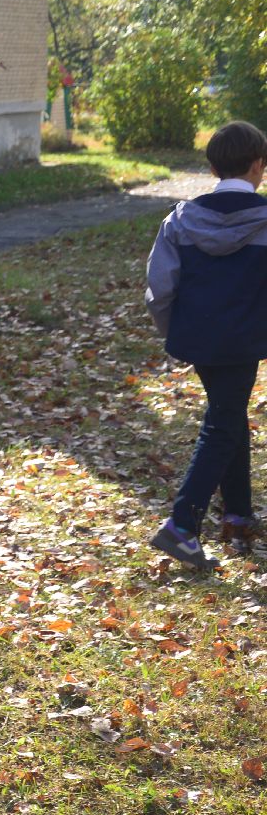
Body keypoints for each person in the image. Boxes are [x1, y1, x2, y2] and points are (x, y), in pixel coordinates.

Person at [145, 120, 267, 569]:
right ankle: (181, 526)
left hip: (199, 340)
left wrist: (177, 332)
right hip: (245, 341)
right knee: (222, 425)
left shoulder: (179, 220)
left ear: (213, 166)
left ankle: (238, 516)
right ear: (259, 165)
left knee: (228, 418)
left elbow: (159, 288)